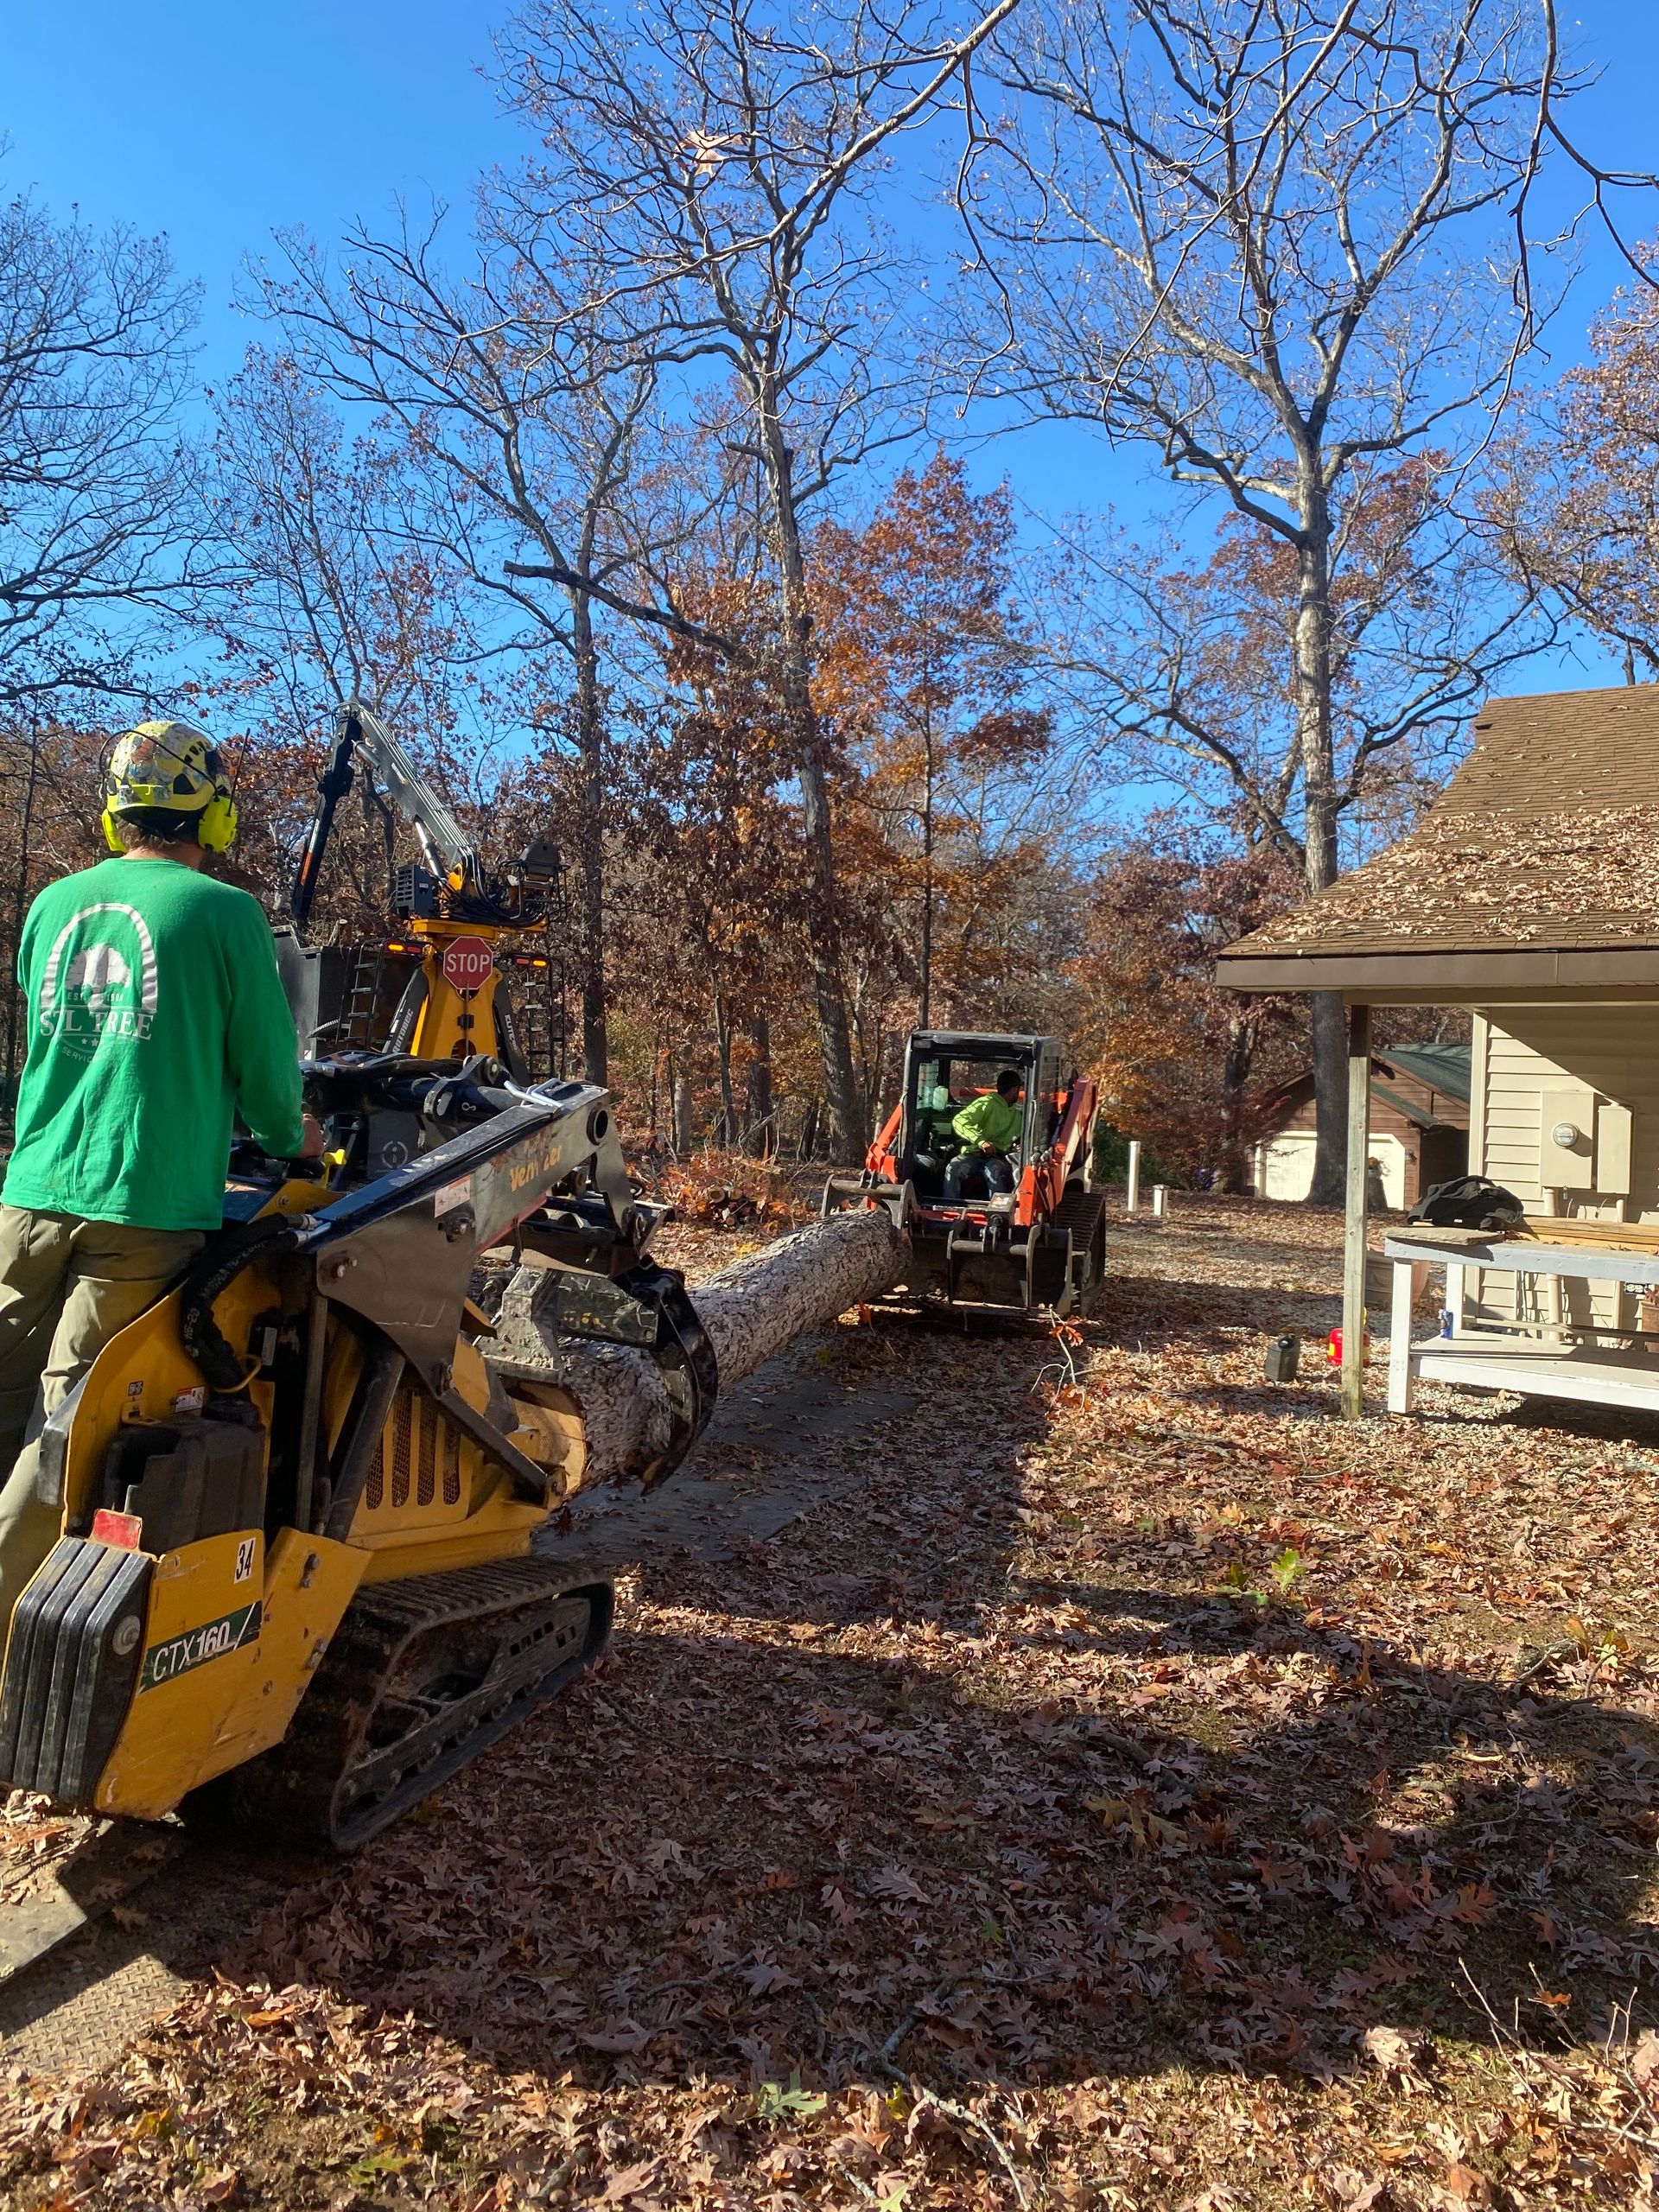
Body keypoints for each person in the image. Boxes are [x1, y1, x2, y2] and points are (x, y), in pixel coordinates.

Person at [0, 720, 321, 1625]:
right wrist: (299, 1137)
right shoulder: (223, 914)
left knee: (2, 1403)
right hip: (141, 1208)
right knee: (65, 1436)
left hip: (29, 1193)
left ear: (118, 813)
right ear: (211, 813)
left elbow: (57, 1046)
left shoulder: (53, 906)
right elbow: (266, 1087)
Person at [944, 1069, 1025, 1201]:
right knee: (953, 1168)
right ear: (1015, 1089)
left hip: (999, 1158)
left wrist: (1019, 1146)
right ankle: (948, 1208)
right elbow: (959, 1121)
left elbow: (1020, 1138)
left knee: (995, 1172)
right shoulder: (987, 1104)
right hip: (974, 1154)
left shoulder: (1017, 1115)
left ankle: (998, 1213)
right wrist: (980, 1141)